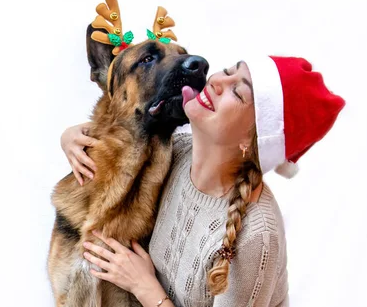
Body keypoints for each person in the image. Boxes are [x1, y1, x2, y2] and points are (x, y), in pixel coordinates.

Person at [59, 55, 345, 307]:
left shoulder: (256, 236)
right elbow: (127, 132)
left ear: (252, 139)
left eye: (238, 92)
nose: (217, 80)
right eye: (227, 70)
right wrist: (72, 136)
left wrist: (145, 288)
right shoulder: (178, 154)